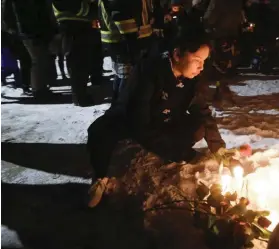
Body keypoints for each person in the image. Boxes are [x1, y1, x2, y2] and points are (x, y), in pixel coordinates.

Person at [86, 28, 226, 208]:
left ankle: (166, 155)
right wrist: (180, 152)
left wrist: (219, 149)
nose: (201, 67)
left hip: (163, 120)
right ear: (177, 55)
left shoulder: (191, 79)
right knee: (101, 134)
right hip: (130, 121)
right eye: (197, 60)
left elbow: (202, 111)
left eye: (204, 61)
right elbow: (139, 122)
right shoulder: (148, 72)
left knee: (197, 127)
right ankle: (100, 178)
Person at [52, 0, 103, 106]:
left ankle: (80, 95)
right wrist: (94, 7)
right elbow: (81, 9)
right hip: (75, 30)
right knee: (78, 66)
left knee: (80, 65)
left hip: (77, 29)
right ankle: (80, 97)